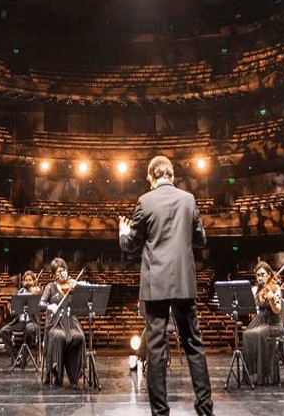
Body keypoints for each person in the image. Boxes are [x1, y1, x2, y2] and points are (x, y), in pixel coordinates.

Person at [119, 155, 213, 416]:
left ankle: (160, 413)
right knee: (194, 343)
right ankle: (205, 409)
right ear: (172, 175)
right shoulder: (189, 200)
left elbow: (130, 246)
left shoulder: (144, 202)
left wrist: (122, 233)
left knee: (157, 350)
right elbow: (201, 240)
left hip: (155, 283)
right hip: (184, 281)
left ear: (151, 176)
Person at [39, 258, 85, 386]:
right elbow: (41, 303)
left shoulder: (71, 286)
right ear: (54, 274)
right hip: (55, 323)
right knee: (59, 336)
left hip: (70, 322)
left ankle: (74, 374)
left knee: (79, 337)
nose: (62, 273)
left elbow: (81, 303)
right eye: (59, 271)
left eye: (64, 270)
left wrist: (78, 289)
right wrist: (49, 306)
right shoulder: (50, 287)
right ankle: (56, 371)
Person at [243, 261, 284, 385]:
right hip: (260, 322)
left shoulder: (275, 288)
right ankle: (253, 374)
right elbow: (249, 308)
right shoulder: (255, 289)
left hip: (274, 324)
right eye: (257, 275)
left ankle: (264, 376)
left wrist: (271, 298)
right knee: (247, 334)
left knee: (259, 334)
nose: (259, 277)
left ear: (269, 275)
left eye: (262, 274)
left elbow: (277, 310)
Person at [0, 270, 41, 367]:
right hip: (20, 321)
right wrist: (12, 309)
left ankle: (24, 357)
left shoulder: (37, 292)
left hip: (32, 321)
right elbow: (15, 311)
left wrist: (36, 294)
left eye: (30, 280)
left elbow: (41, 304)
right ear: (23, 282)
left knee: (29, 330)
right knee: (3, 331)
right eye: (26, 280)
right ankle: (16, 355)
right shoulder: (19, 293)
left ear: (34, 281)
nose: (28, 282)